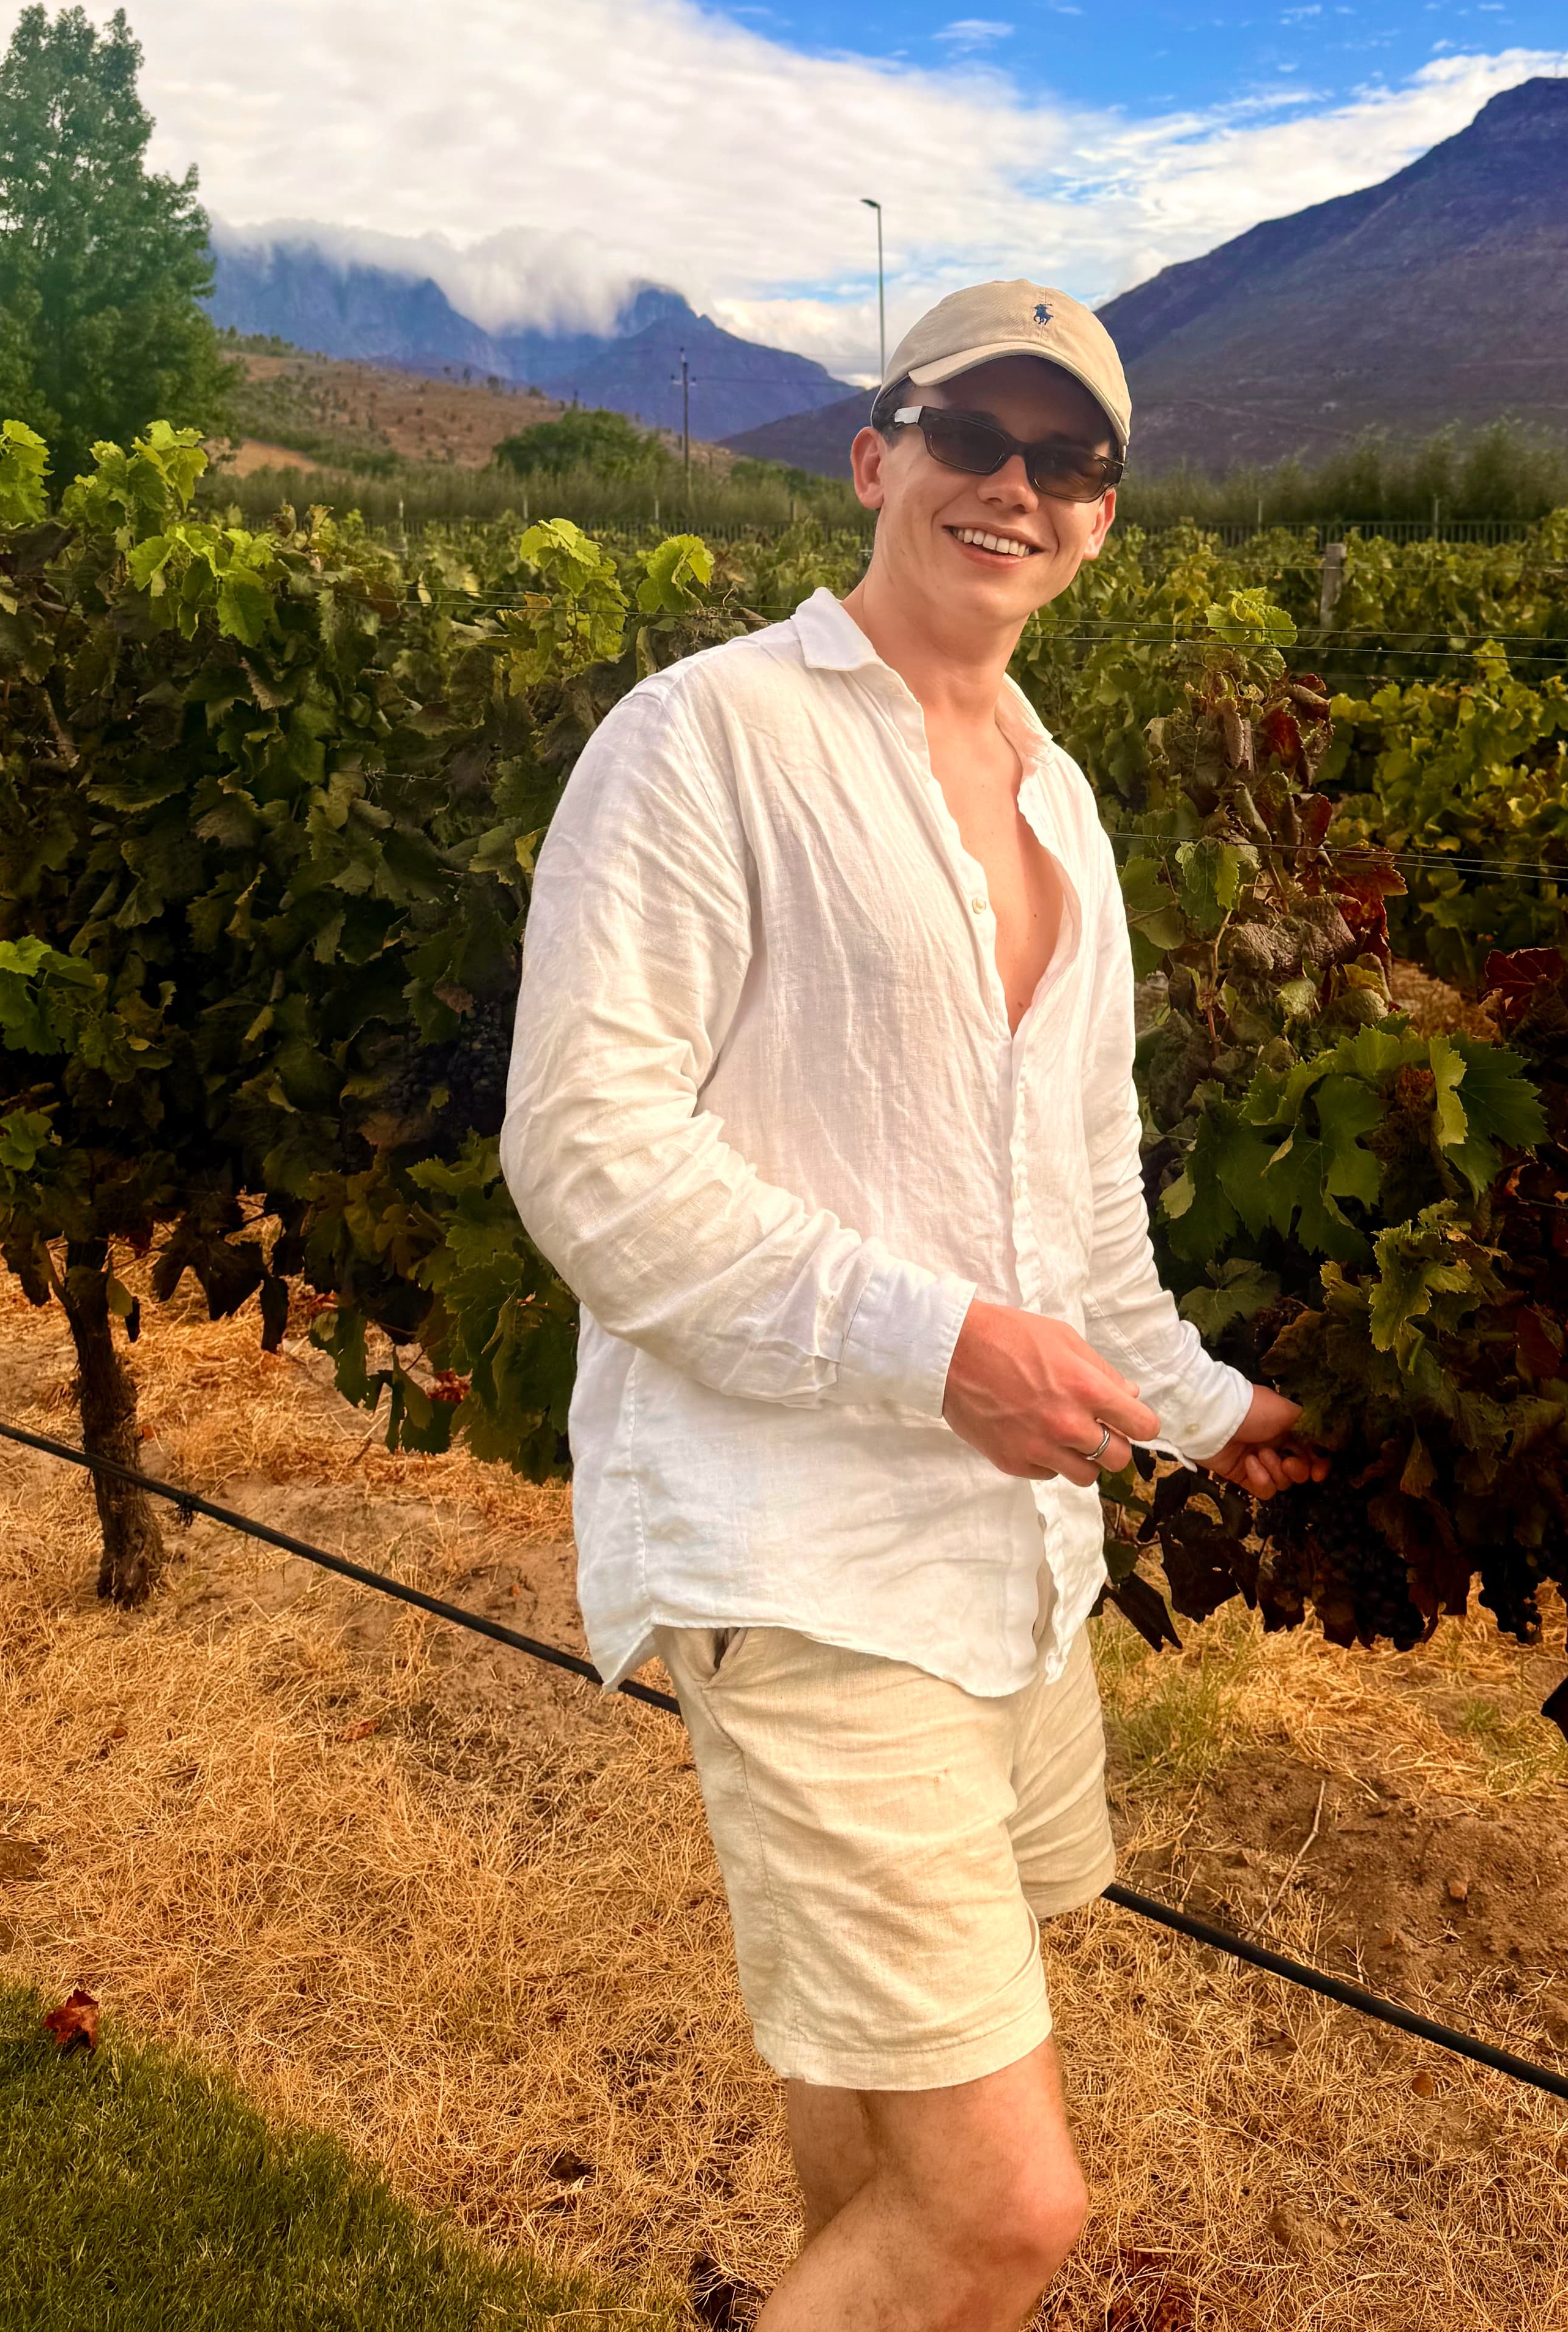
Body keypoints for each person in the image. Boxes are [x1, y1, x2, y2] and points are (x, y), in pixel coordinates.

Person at [502, 280, 1321, 2332]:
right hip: (806, 1562)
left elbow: (1083, 1218)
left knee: (874, 2131)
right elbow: (590, 1158)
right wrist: (932, 1345)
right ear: (877, 459)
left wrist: (1224, 1419)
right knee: (1001, 2212)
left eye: (1070, 462)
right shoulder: (706, 737)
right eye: (973, 436)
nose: (1015, 486)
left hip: (1012, 1571)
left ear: (1103, 522)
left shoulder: (1065, 807)